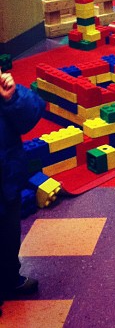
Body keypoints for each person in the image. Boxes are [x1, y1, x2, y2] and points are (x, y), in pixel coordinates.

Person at [0, 71, 45, 310]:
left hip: (8, 182)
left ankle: (10, 280)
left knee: (9, 237)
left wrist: (12, 97)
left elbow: (33, 113)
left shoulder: (4, 93)